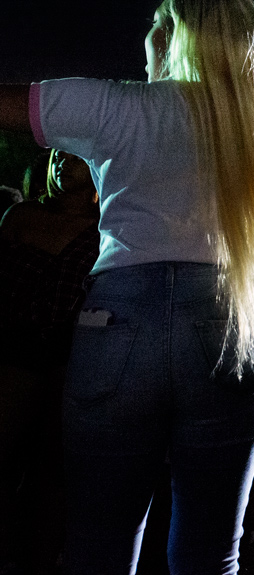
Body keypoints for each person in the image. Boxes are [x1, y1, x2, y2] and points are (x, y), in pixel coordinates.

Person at [0, 0, 254, 574]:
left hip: (119, 324)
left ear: (169, 35)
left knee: (98, 546)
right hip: (230, 326)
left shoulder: (113, 106)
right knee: (212, 551)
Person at [0, 150, 99, 572]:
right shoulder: (20, 217)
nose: (61, 161)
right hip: (12, 350)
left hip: (70, 358)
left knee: (53, 473)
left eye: (74, 155)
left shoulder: (106, 232)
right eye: (57, 153)